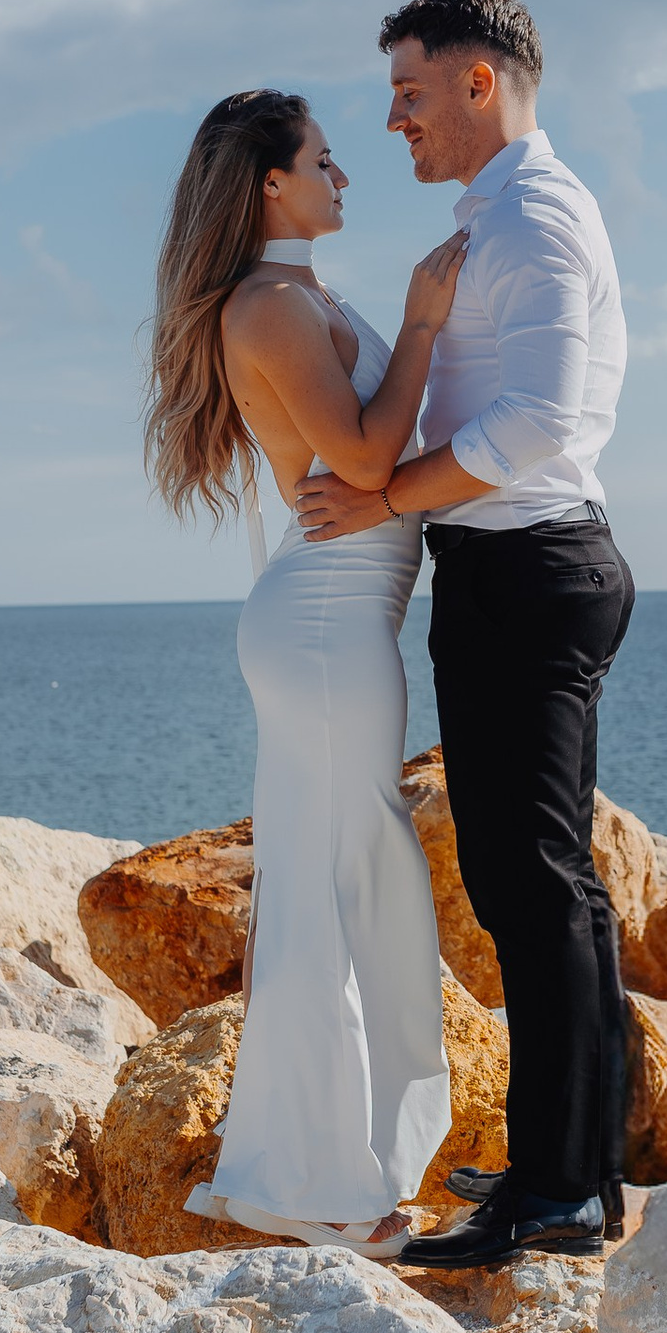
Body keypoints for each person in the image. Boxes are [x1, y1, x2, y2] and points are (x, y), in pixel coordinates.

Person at [296, 0, 633, 1266]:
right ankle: (575, 1167)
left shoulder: (535, 215)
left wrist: (390, 492)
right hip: (513, 571)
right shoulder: (499, 218)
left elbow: (538, 424)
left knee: (531, 883)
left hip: (531, 570)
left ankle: (557, 1194)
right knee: (538, 883)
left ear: (480, 82)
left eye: (411, 94)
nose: (393, 122)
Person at [144, 85, 469, 1256]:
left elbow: (373, 465)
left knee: (342, 880)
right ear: (271, 183)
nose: (345, 178)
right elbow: (370, 451)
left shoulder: (300, 295)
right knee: (336, 885)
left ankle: (324, 1170)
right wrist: (425, 318)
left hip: (340, 621)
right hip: (327, 626)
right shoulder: (268, 305)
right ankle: (322, 1186)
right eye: (326, 162)